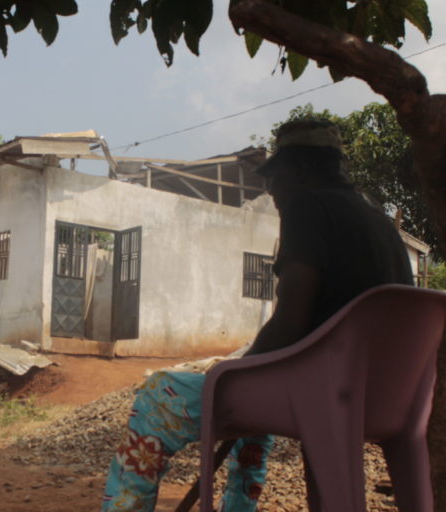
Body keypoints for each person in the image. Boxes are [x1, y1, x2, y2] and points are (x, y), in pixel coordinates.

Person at [101, 119, 413, 512]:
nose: (271, 190)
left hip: (326, 389)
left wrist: (241, 369)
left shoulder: (308, 207)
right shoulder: (380, 221)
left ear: (299, 169)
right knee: (258, 396)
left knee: (154, 396)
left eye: (274, 176)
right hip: (382, 396)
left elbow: (291, 321)